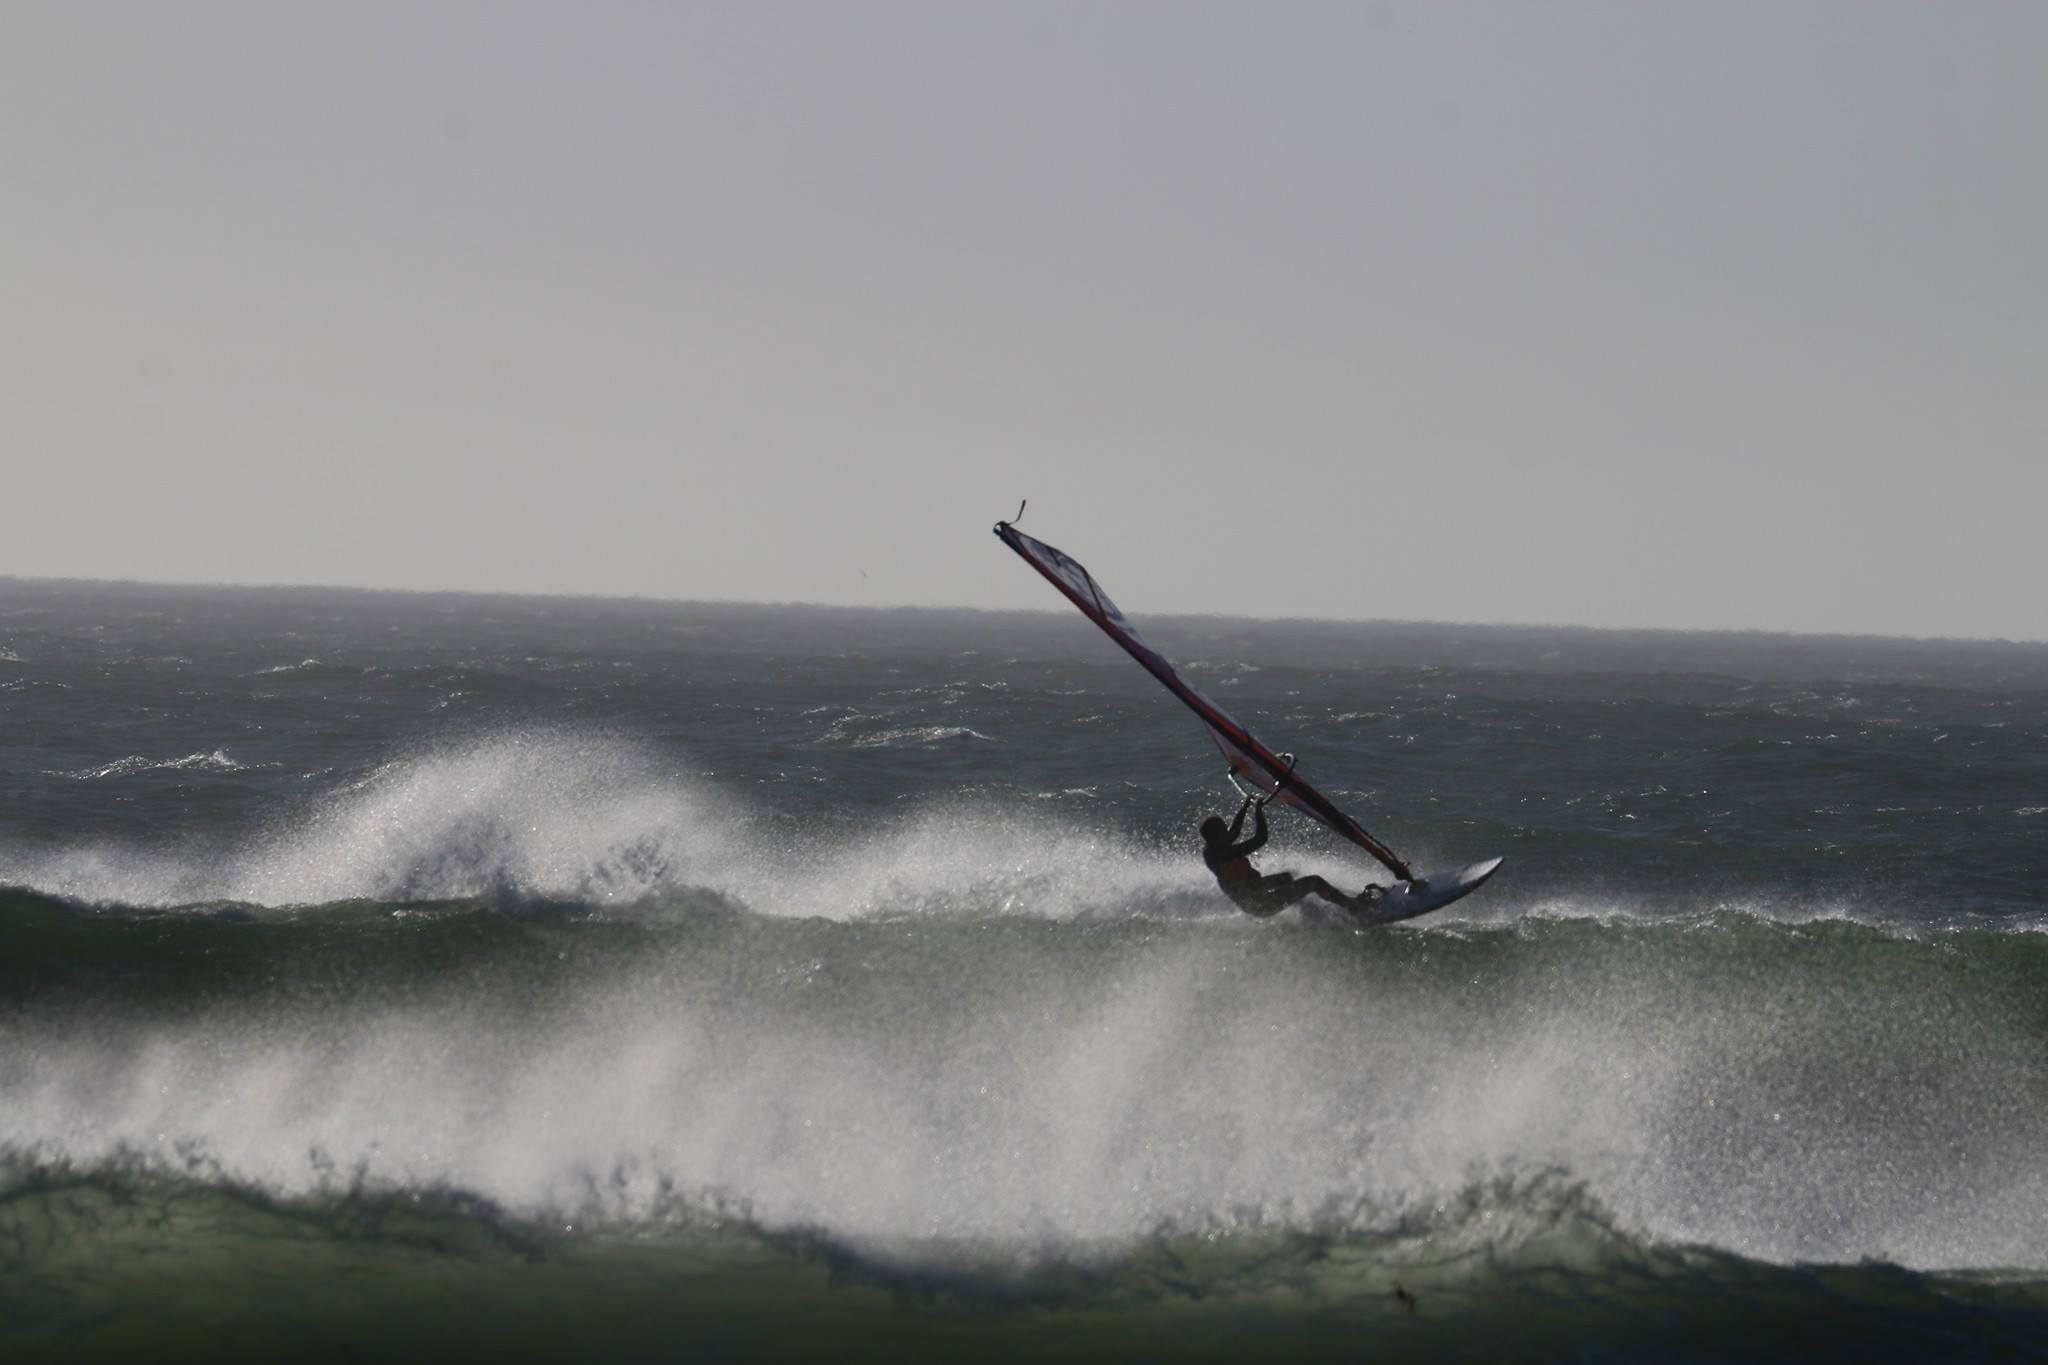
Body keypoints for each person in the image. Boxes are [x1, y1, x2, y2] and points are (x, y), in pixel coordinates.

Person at [1199, 793, 1379, 918]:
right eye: (1224, 833)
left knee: (1285, 878)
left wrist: (1245, 806)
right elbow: (1260, 839)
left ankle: (1306, 911)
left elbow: (1233, 832)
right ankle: (1354, 908)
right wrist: (1259, 811)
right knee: (1313, 881)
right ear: (1218, 837)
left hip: (1253, 895)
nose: (1228, 834)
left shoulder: (1212, 849)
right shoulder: (1224, 854)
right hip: (1261, 905)